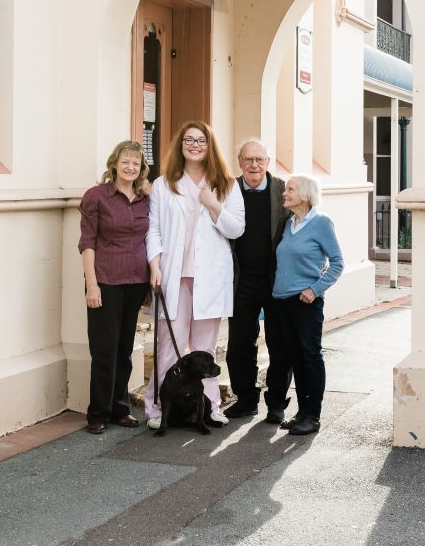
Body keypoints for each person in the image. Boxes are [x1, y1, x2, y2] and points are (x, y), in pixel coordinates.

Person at [145, 120, 245, 431]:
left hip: (209, 279)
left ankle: (211, 406)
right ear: (181, 145)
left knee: (206, 348)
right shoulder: (164, 184)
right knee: (166, 345)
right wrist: (155, 266)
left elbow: (236, 229)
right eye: (189, 139)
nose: (195, 145)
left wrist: (214, 205)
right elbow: (154, 231)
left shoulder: (227, 185)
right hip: (173, 277)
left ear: (209, 145)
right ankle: (157, 407)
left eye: (201, 140)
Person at [78, 140, 150, 434]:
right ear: (114, 164)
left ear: (141, 168)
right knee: (104, 350)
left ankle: (120, 408)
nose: (130, 167)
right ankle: (98, 413)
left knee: (124, 349)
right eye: (125, 161)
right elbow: (87, 242)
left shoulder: (146, 198)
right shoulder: (97, 197)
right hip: (105, 281)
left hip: (135, 282)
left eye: (136, 163)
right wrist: (91, 285)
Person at [224, 138, 292, 424]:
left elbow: (299, 223)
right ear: (239, 162)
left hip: (276, 280)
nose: (254, 165)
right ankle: (246, 398)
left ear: (267, 162)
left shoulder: (281, 190)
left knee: (280, 343)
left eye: (259, 160)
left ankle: (276, 402)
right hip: (241, 281)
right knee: (240, 343)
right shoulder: (229, 190)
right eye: (248, 160)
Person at [272, 173, 344, 435]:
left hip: (305, 302)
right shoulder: (289, 224)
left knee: (310, 357)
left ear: (305, 195)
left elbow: (337, 263)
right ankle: (302, 412)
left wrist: (315, 290)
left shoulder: (321, 223)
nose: (284, 193)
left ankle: (313, 416)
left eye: (290, 189)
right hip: (282, 301)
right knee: (295, 358)